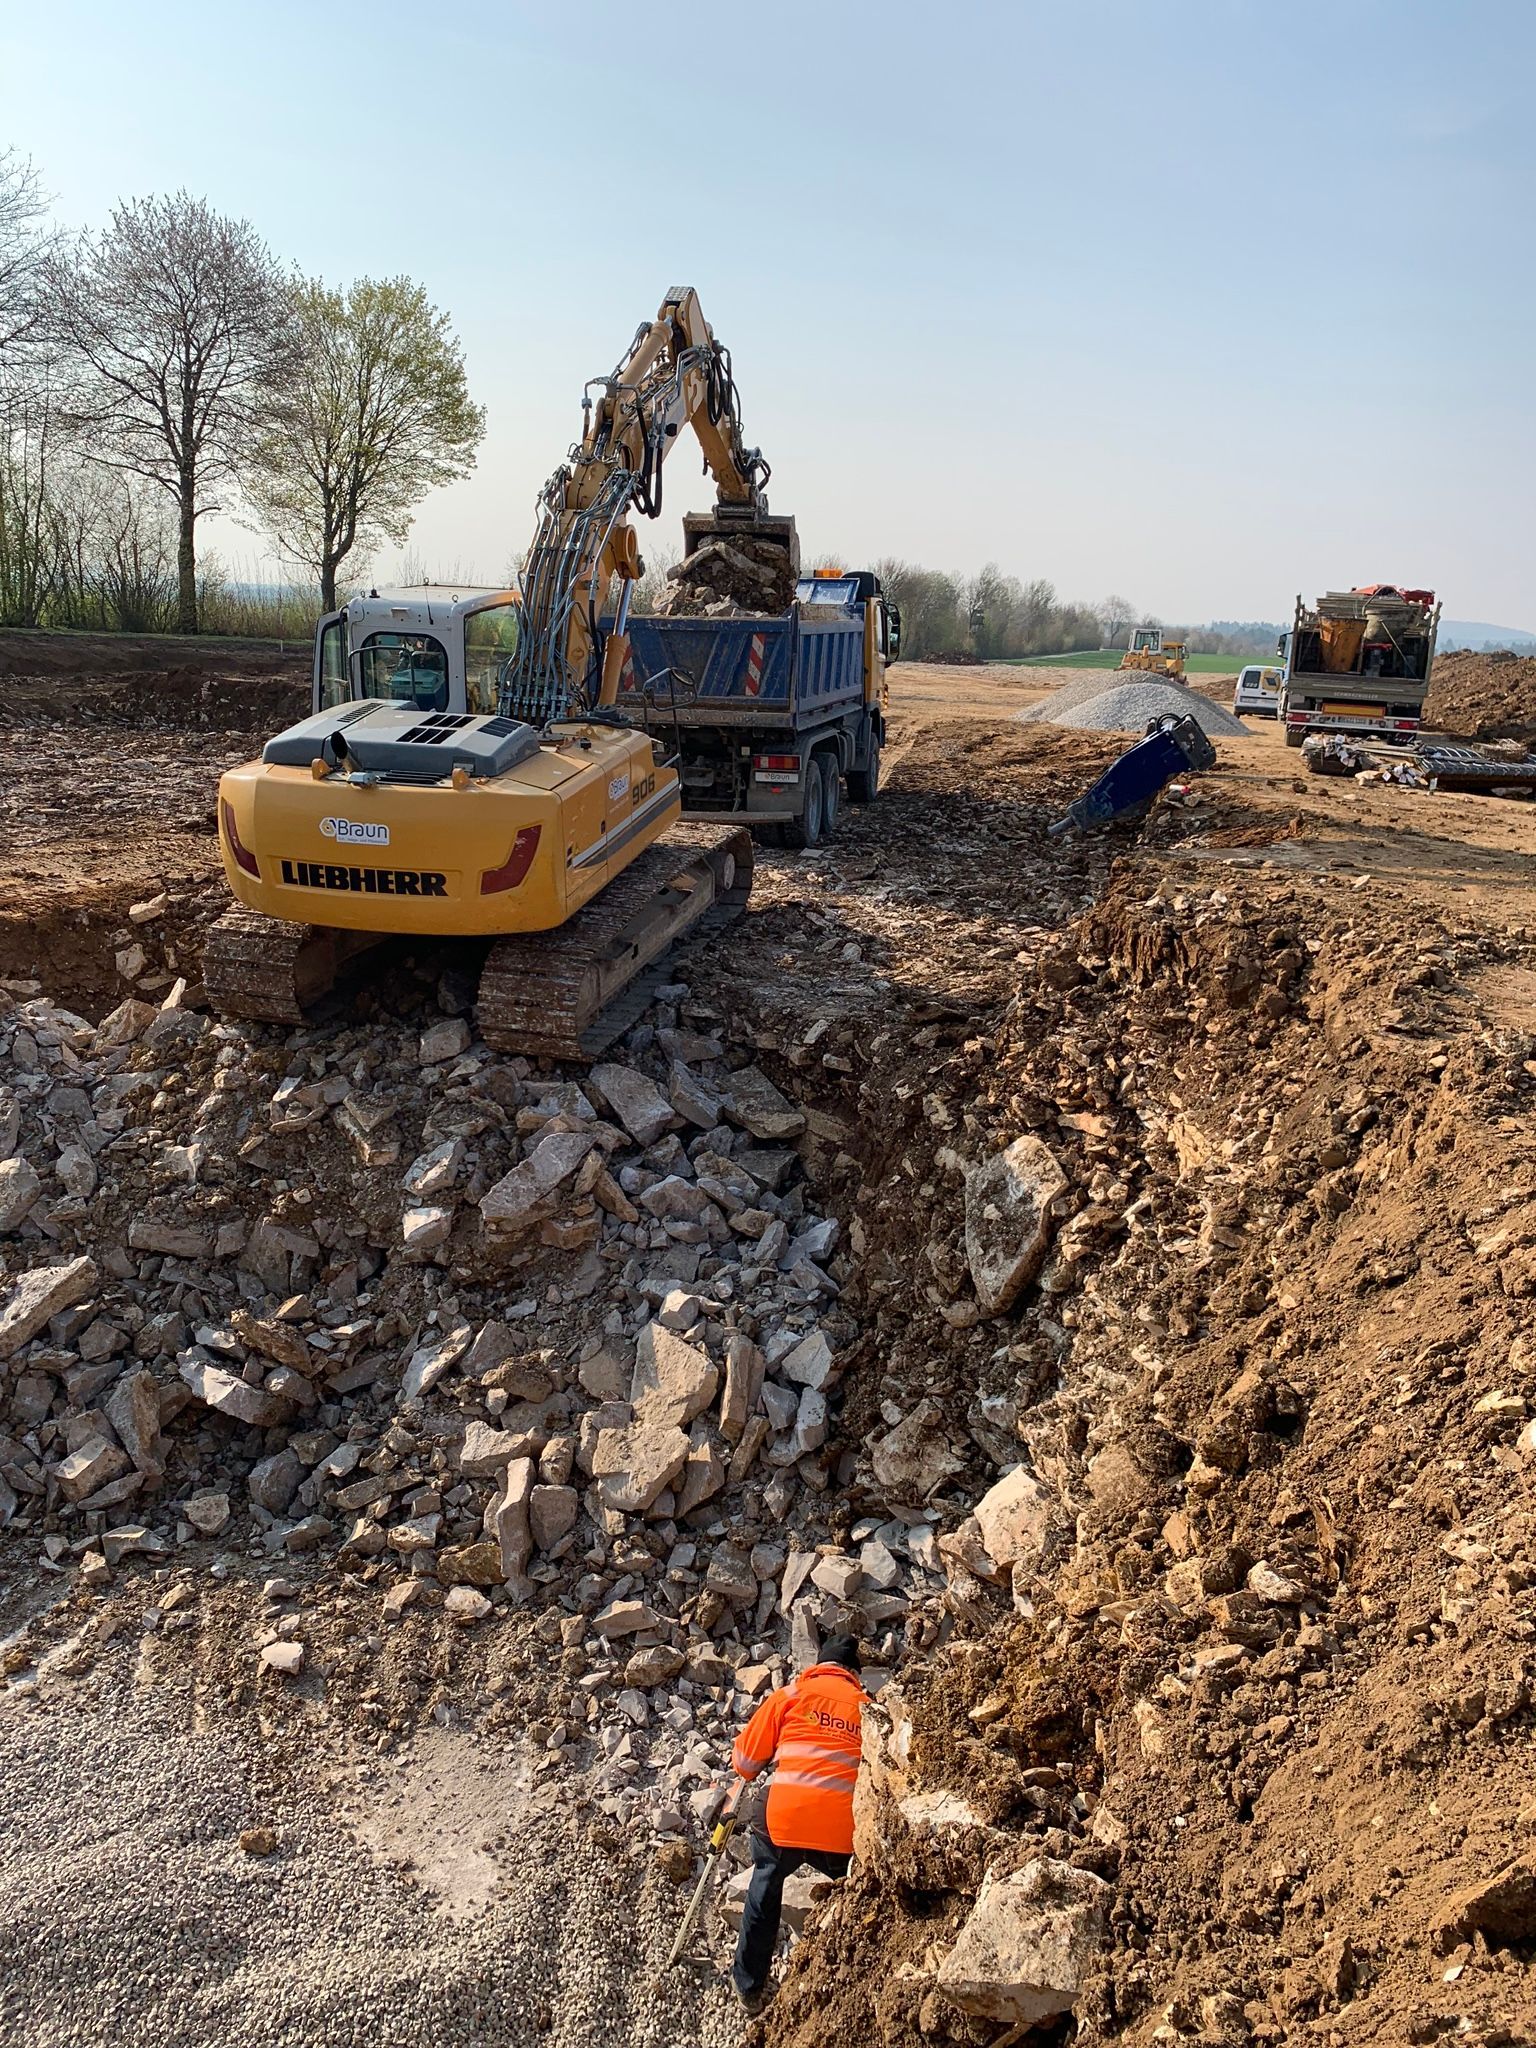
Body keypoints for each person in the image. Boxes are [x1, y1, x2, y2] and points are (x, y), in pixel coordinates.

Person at [727, 1635, 867, 2014]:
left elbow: (744, 1765)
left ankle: (749, 1987)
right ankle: (847, 1981)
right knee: (855, 1893)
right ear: (855, 1675)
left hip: (783, 1822)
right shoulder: (869, 1709)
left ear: (819, 1666)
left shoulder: (789, 1696)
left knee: (767, 1880)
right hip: (842, 1835)